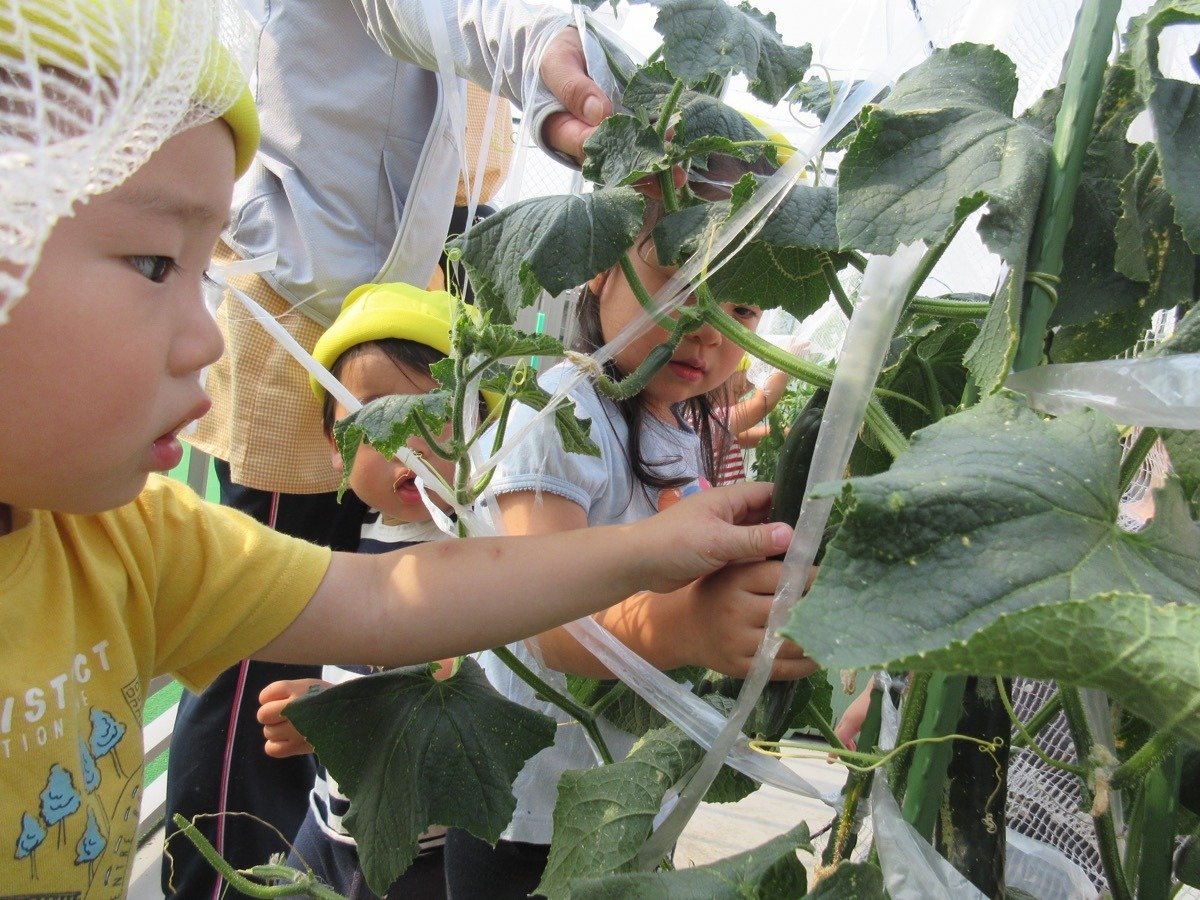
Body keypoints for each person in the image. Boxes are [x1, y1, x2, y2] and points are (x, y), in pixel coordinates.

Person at [0, 5, 797, 893]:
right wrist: (672, 601)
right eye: (155, 266)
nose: (210, 337)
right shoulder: (557, 410)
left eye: (201, 272)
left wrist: (656, 553)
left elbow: (389, 598)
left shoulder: (144, 543)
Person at [165, 2, 620, 892]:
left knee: (360, 623)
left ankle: (321, 854)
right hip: (304, 337)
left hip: (406, 300)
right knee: (261, 645)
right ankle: (223, 879)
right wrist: (545, 51)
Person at [443, 203, 818, 896]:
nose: (710, 330)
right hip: (528, 814)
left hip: (618, 799)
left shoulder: (680, 423)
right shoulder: (558, 412)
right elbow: (542, 623)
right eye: (680, 285)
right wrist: (691, 627)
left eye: (741, 306)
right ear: (601, 266)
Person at [253, 283, 475, 900]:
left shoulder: (477, 547)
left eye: (438, 412)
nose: (411, 439)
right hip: (330, 820)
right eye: (378, 414)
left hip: (424, 850)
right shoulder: (367, 533)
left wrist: (339, 715)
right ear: (334, 444)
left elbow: (458, 684)